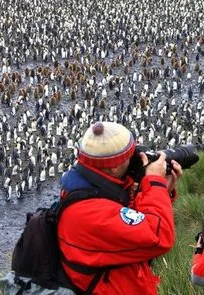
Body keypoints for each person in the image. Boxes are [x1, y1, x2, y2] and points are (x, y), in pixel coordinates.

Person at [57, 121, 182, 294]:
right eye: (130, 156)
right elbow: (158, 237)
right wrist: (154, 181)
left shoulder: (95, 188)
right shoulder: (88, 211)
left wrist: (161, 192)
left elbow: (130, 223)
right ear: (114, 167)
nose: (136, 159)